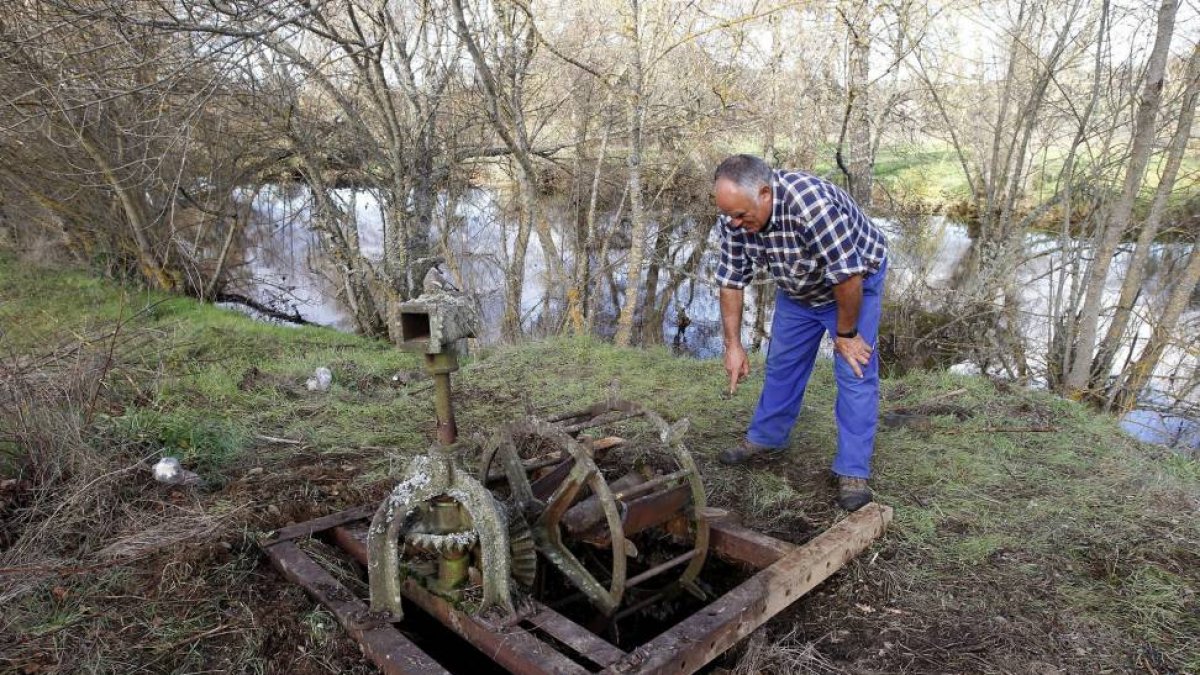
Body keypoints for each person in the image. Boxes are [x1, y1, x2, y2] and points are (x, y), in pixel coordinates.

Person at [712, 154, 888, 512]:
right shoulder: (734, 217)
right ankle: (767, 438)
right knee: (782, 364)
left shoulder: (812, 206)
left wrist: (848, 334)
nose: (735, 222)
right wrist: (733, 345)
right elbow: (731, 280)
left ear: (765, 193)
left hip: (856, 282)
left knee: (854, 370)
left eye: (742, 215)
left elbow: (847, 276)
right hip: (799, 287)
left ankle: (852, 470)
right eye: (729, 215)